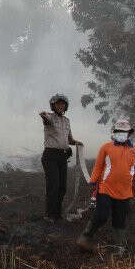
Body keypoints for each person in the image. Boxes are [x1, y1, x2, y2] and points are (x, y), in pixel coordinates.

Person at [76, 118, 135, 251]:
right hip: (106, 188)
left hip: (125, 192)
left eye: (124, 131)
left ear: (129, 133)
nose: (121, 134)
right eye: (118, 131)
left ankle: (120, 245)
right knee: (101, 215)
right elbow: (98, 166)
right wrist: (93, 180)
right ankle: (85, 237)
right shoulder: (106, 147)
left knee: (120, 220)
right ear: (114, 132)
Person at [39, 94, 82, 222]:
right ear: (53, 105)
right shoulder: (50, 117)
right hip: (50, 156)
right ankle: (49, 215)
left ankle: (57, 214)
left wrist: (77, 143)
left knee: (62, 187)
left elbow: (69, 140)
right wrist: (43, 116)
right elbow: (46, 120)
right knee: (54, 185)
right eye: (58, 104)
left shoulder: (67, 121)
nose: (60, 106)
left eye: (63, 104)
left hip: (62, 156)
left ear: (66, 106)